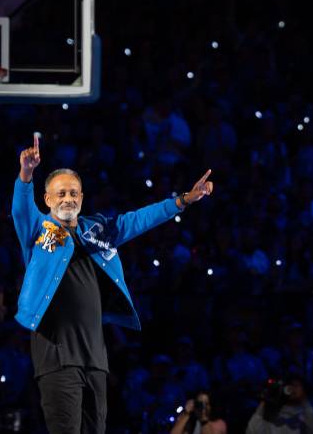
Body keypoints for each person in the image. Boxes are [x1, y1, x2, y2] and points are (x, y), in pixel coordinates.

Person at [12, 133, 214, 434]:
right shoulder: (40, 229)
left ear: (81, 198)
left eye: (74, 193)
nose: (68, 198)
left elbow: (138, 219)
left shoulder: (97, 229)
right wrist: (26, 174)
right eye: (61, 194)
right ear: (48, 200)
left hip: (94, 357)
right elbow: (20, 210)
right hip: (56, 354)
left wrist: (183, 200)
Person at [246, 375, 313, 434]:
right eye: (290, 385)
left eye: (296, 385)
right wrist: (265, 401)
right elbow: (252, 431)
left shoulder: (308, 407)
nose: (292, 389)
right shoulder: (274, 410)